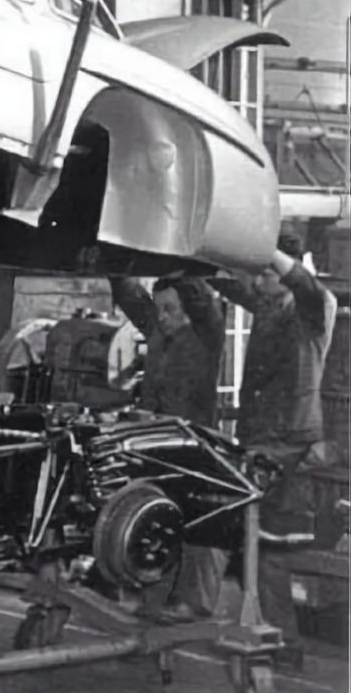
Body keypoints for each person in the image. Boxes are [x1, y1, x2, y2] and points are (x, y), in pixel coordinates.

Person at [220, 239, 335, 671]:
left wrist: (261, 243)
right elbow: (232, 285)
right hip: (260, 441)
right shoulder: (269, 308)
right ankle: (275, 637)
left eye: (268, 272)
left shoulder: (313, 310)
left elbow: (306, 285)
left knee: (269, 552)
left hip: (289, 446)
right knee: (256, 548)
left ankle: (283, 644)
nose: (259, 280)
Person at [109, 274, 227, 621]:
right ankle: (152, 600)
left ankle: (193, 602)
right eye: (158, 308)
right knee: (153, 517)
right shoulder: (159, 332)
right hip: (155, 443)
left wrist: (180, 262)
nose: (161, 317)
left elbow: (204, 302)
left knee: (201, 520)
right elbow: (130, 295)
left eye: (170, 309)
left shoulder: (206, 335)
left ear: (190, 308)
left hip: (194, 446)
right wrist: (116, 264)